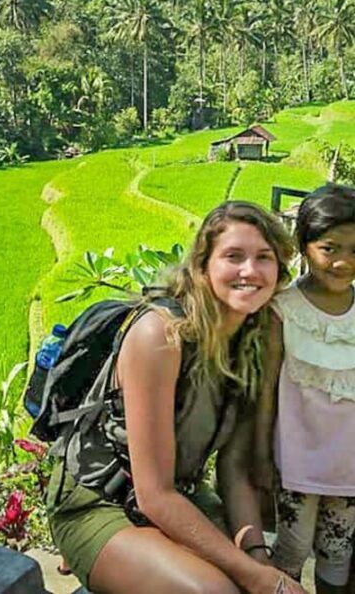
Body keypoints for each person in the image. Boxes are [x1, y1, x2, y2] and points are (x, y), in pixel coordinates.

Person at [46, 200, 306, 594]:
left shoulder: (258, 337)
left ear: (279, 270)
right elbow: (154, 496)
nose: (249, 271)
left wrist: (256, 558)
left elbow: (234, 469)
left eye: (264, 258)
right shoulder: (161, 336)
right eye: (233, 257)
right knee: (215, 592)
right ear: (202, 268)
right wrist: (259, 579)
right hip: (100, 502)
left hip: (181, 495)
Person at [256, 184, 355, 594]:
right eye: (330, 249)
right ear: (303, 245)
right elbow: (266, 390)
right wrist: (261, 456)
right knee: (291, 554)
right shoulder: (284, 309)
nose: (343, 262)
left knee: (338, 556)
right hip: (295, 466)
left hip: (349, 467)